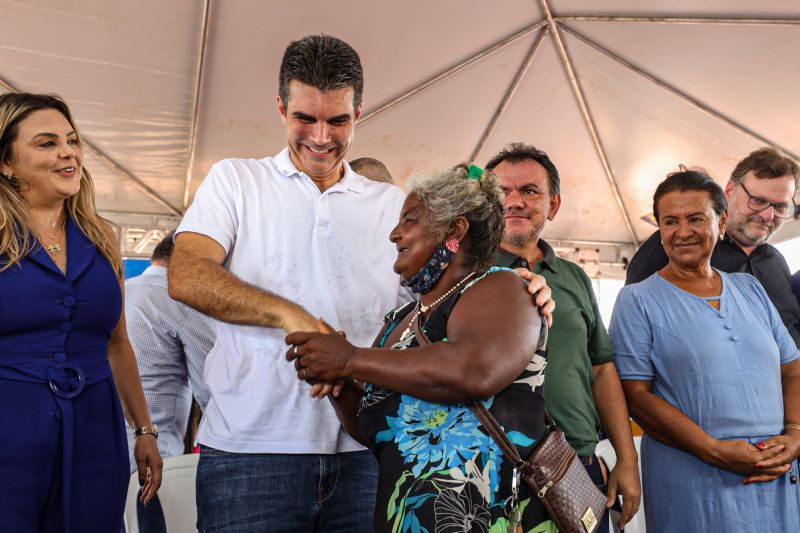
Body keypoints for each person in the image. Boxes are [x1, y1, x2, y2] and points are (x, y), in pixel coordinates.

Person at [167, 34, 408, 531]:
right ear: (280, 108)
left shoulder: (391, 204)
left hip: (367, 450)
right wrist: (290, 314)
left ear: (358, 113)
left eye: (337, 120)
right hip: (249, 456)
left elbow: (435, 303)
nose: (321, 137)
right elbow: (186, 273)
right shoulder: (235, 180)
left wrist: (512, 288)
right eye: (305, 118)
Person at [287, 166, 555, 532]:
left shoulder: (504, 288)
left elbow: (473, 370)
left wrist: (348, 358)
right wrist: (338, 382)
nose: (394, 234)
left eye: (409, 220)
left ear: (454, 229)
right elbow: (373, 430)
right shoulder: (399, 321)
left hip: (487, 519)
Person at [0, 92, 162, 531]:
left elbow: (118, 343)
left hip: (96, 427)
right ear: (7, 163)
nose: (68, 152)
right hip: (9, 428)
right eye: (46, 143)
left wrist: (144, 430)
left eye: (72, 140)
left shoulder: (103, 237)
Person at [610, 169, 800, 532]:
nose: (683, 232)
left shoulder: (750, 289)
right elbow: (636, 396)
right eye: (670, 221)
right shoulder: (638, 300)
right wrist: (713, 449)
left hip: (775, 472)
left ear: (722, 221)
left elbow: (792, 367)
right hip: (694, 476)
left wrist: (795, 435)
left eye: (696, 218)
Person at [483, 142, 641, 531]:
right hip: (489, 470)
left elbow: (602, 368)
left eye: (529, 191)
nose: (514, 201)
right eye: (502, 192)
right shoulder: (466, 274)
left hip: (578, 464)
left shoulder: (575, 278)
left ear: (553, 205)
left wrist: (626, 459)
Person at [625, 147, 800, 346]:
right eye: (758, 201)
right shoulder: (681, 243)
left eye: (780, 207)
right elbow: (634, 324)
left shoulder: (776, 260)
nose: (768, 215)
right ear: (729, 192)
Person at [125, 231, 215, 532]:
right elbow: (214, 391)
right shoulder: (182, 299)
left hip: (106, 453)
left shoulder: (123, 291)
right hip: (154, 462)